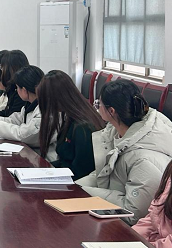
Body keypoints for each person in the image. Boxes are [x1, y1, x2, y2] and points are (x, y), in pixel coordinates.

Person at [77, 79, 172, 225]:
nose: (96, 108)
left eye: (98, 104)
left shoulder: (144, 158)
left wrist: (85, 192)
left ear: (111, 111)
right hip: (111, 217)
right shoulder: (116, 133)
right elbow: (103, 174)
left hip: (129, 227)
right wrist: (73, 188)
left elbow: (134, 212)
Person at [37, 70, 104, 180]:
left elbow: (81, 172)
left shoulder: (83, 128)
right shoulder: (71, 117)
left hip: (77, 184)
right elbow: (65, 162)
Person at [0, 65, 56, 160]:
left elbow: (23, 134)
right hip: (31, 155)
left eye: (17, 88)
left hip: (45, 160)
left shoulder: (45, 110)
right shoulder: (29, 106)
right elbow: (15, 120)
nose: (16, 91)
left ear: (24, 90)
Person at [133, 159, 172, 247]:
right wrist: (130, 236)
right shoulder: (166, 191)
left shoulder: (141, 160)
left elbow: (133, 207)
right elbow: (154, 218)